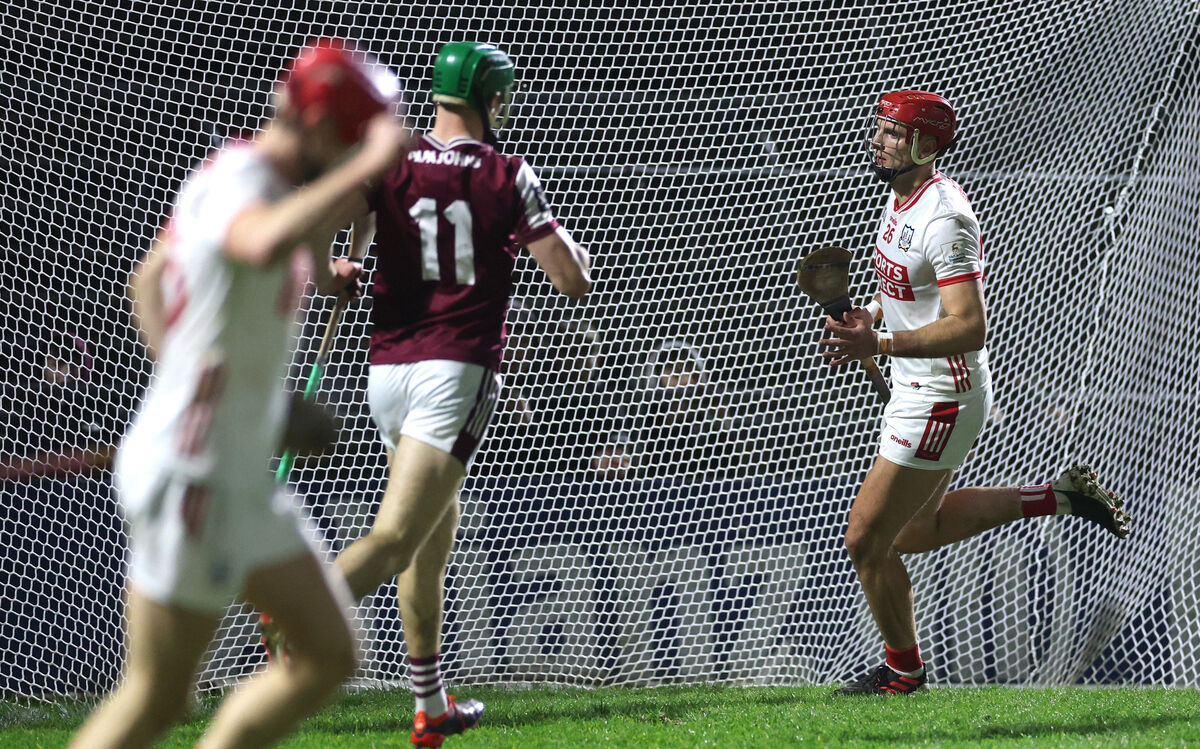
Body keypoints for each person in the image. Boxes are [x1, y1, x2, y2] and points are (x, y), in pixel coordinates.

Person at [70, 39, 406, 749]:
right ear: (321, 132)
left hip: (234, 467)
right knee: (157, 698)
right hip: (195, 477)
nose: (357, 163)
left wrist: (226, 393)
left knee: (330, 653)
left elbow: (152, 276)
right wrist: (377, 160)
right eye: (352, 145)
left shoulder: (239, 175)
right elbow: (257, 244)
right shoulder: (245, 185)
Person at [292, 41, 590, 748]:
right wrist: (577, 252)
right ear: (493, 99)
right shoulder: (507, 172)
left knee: (431, 535)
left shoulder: (388, 159)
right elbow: (571, 280)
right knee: (397, 538)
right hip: (455, 368)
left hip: (387, 373)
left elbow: (316, 229)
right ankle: (298, 617)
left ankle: (430, 705)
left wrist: (339, 266)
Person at [818, 90, 1131, 695]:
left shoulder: (946, 218)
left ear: (927, 145)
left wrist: (877, 345)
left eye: (890, 132)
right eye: (878, 129)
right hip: (919, 386)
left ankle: (902, 674)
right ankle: (1060, 497)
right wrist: (870, 316)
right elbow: (906, 287)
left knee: (866, 539)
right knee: (912, 533)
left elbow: (969, 324)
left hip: (942, 395)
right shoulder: (900, 197)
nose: (876, 140)